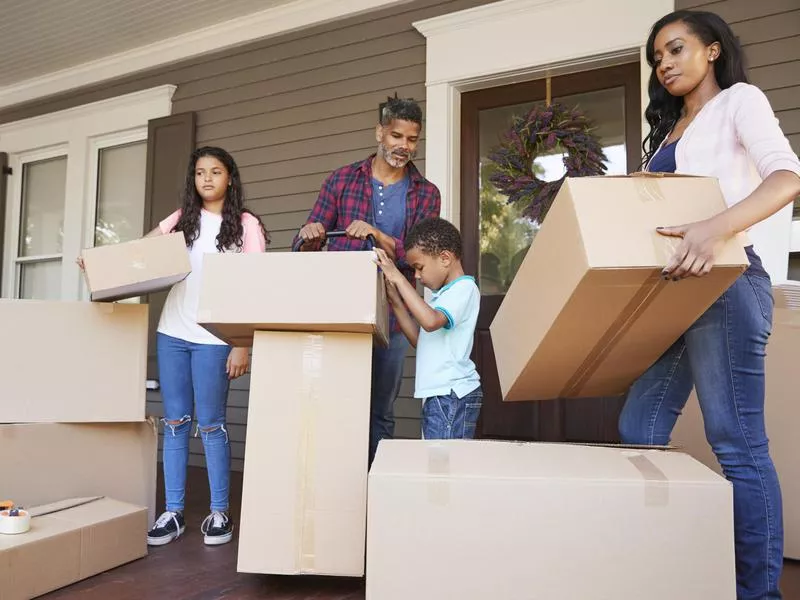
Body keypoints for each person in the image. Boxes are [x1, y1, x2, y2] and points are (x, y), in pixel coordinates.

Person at [618, 10, 800, 600]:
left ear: (713, 51)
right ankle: (669, 569)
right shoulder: (670, 131)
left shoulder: (739, 101)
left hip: (726, 283)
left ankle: (759, 592)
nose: (664, 64)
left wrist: (712, 229)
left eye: (674, 50)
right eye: (656, 58)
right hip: (674, 293)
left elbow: (786, 178)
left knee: (736, 441)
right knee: (638, 426)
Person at [293, 97, 441, 464]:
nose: (403, 146)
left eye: (412, 139)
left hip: (394, 316)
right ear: (379, 133)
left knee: (380, 411)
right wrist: (310, 236)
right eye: (396, 136)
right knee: (335, 404)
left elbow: (418, 257)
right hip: (340, 311)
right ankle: (335, 490)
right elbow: (305, 246)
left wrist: (379, 236)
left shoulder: (426, 193)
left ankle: (371, 493)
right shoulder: (341, 180)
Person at [135, 146, 267, 547]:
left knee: (211, 424)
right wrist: (100, 263)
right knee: (175, 422)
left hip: (215, 339)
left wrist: (242, 344)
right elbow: (141, 252)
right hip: (172, 333)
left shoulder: (246, 225)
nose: (206, 179)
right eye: (199, 173)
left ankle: (219, 513)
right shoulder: (182, 219)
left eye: (215, 172)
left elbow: (255, 287)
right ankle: (173, 512)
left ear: (230, 178)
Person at [375, 217, 482, 440]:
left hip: (452, 394)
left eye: (419, 267)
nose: (416, 276)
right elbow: (419, 340)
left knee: (444, 467)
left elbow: (431, 322)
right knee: (437, 464)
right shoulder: (440, 296)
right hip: (440, 395)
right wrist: (395, 301)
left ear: (445, 258)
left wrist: (397, 275)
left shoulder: (464, 288)